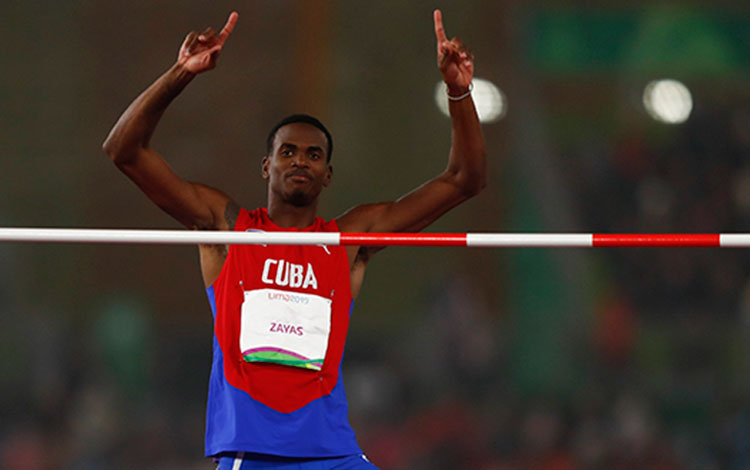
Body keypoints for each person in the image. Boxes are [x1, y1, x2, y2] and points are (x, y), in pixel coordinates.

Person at [103, 8, 485, 470]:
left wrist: (459, 90)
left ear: (328, 174)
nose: (300, 161)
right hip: (254, 454)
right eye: (288, 152)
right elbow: (123, 151)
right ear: (267, 166)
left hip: (334, 454)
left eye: (313, 154)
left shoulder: (348, 241)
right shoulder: (226, 228)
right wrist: (180, 74)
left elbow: (464, 179)